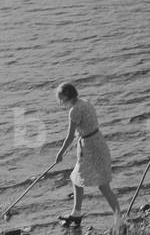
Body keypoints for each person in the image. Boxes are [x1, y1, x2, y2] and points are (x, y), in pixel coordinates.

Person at [54, 83, 121, 232]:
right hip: (97, 141)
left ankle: (118, 218)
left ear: (65, 97)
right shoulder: (85, 102)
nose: (60, 103)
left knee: (102, 185)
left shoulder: (74, 110)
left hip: (90, 148)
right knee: (78, 178)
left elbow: (70, 137)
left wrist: (60, 153)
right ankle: (77, 214)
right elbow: (86, 127)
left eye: (60, 100)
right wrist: (82, 135)